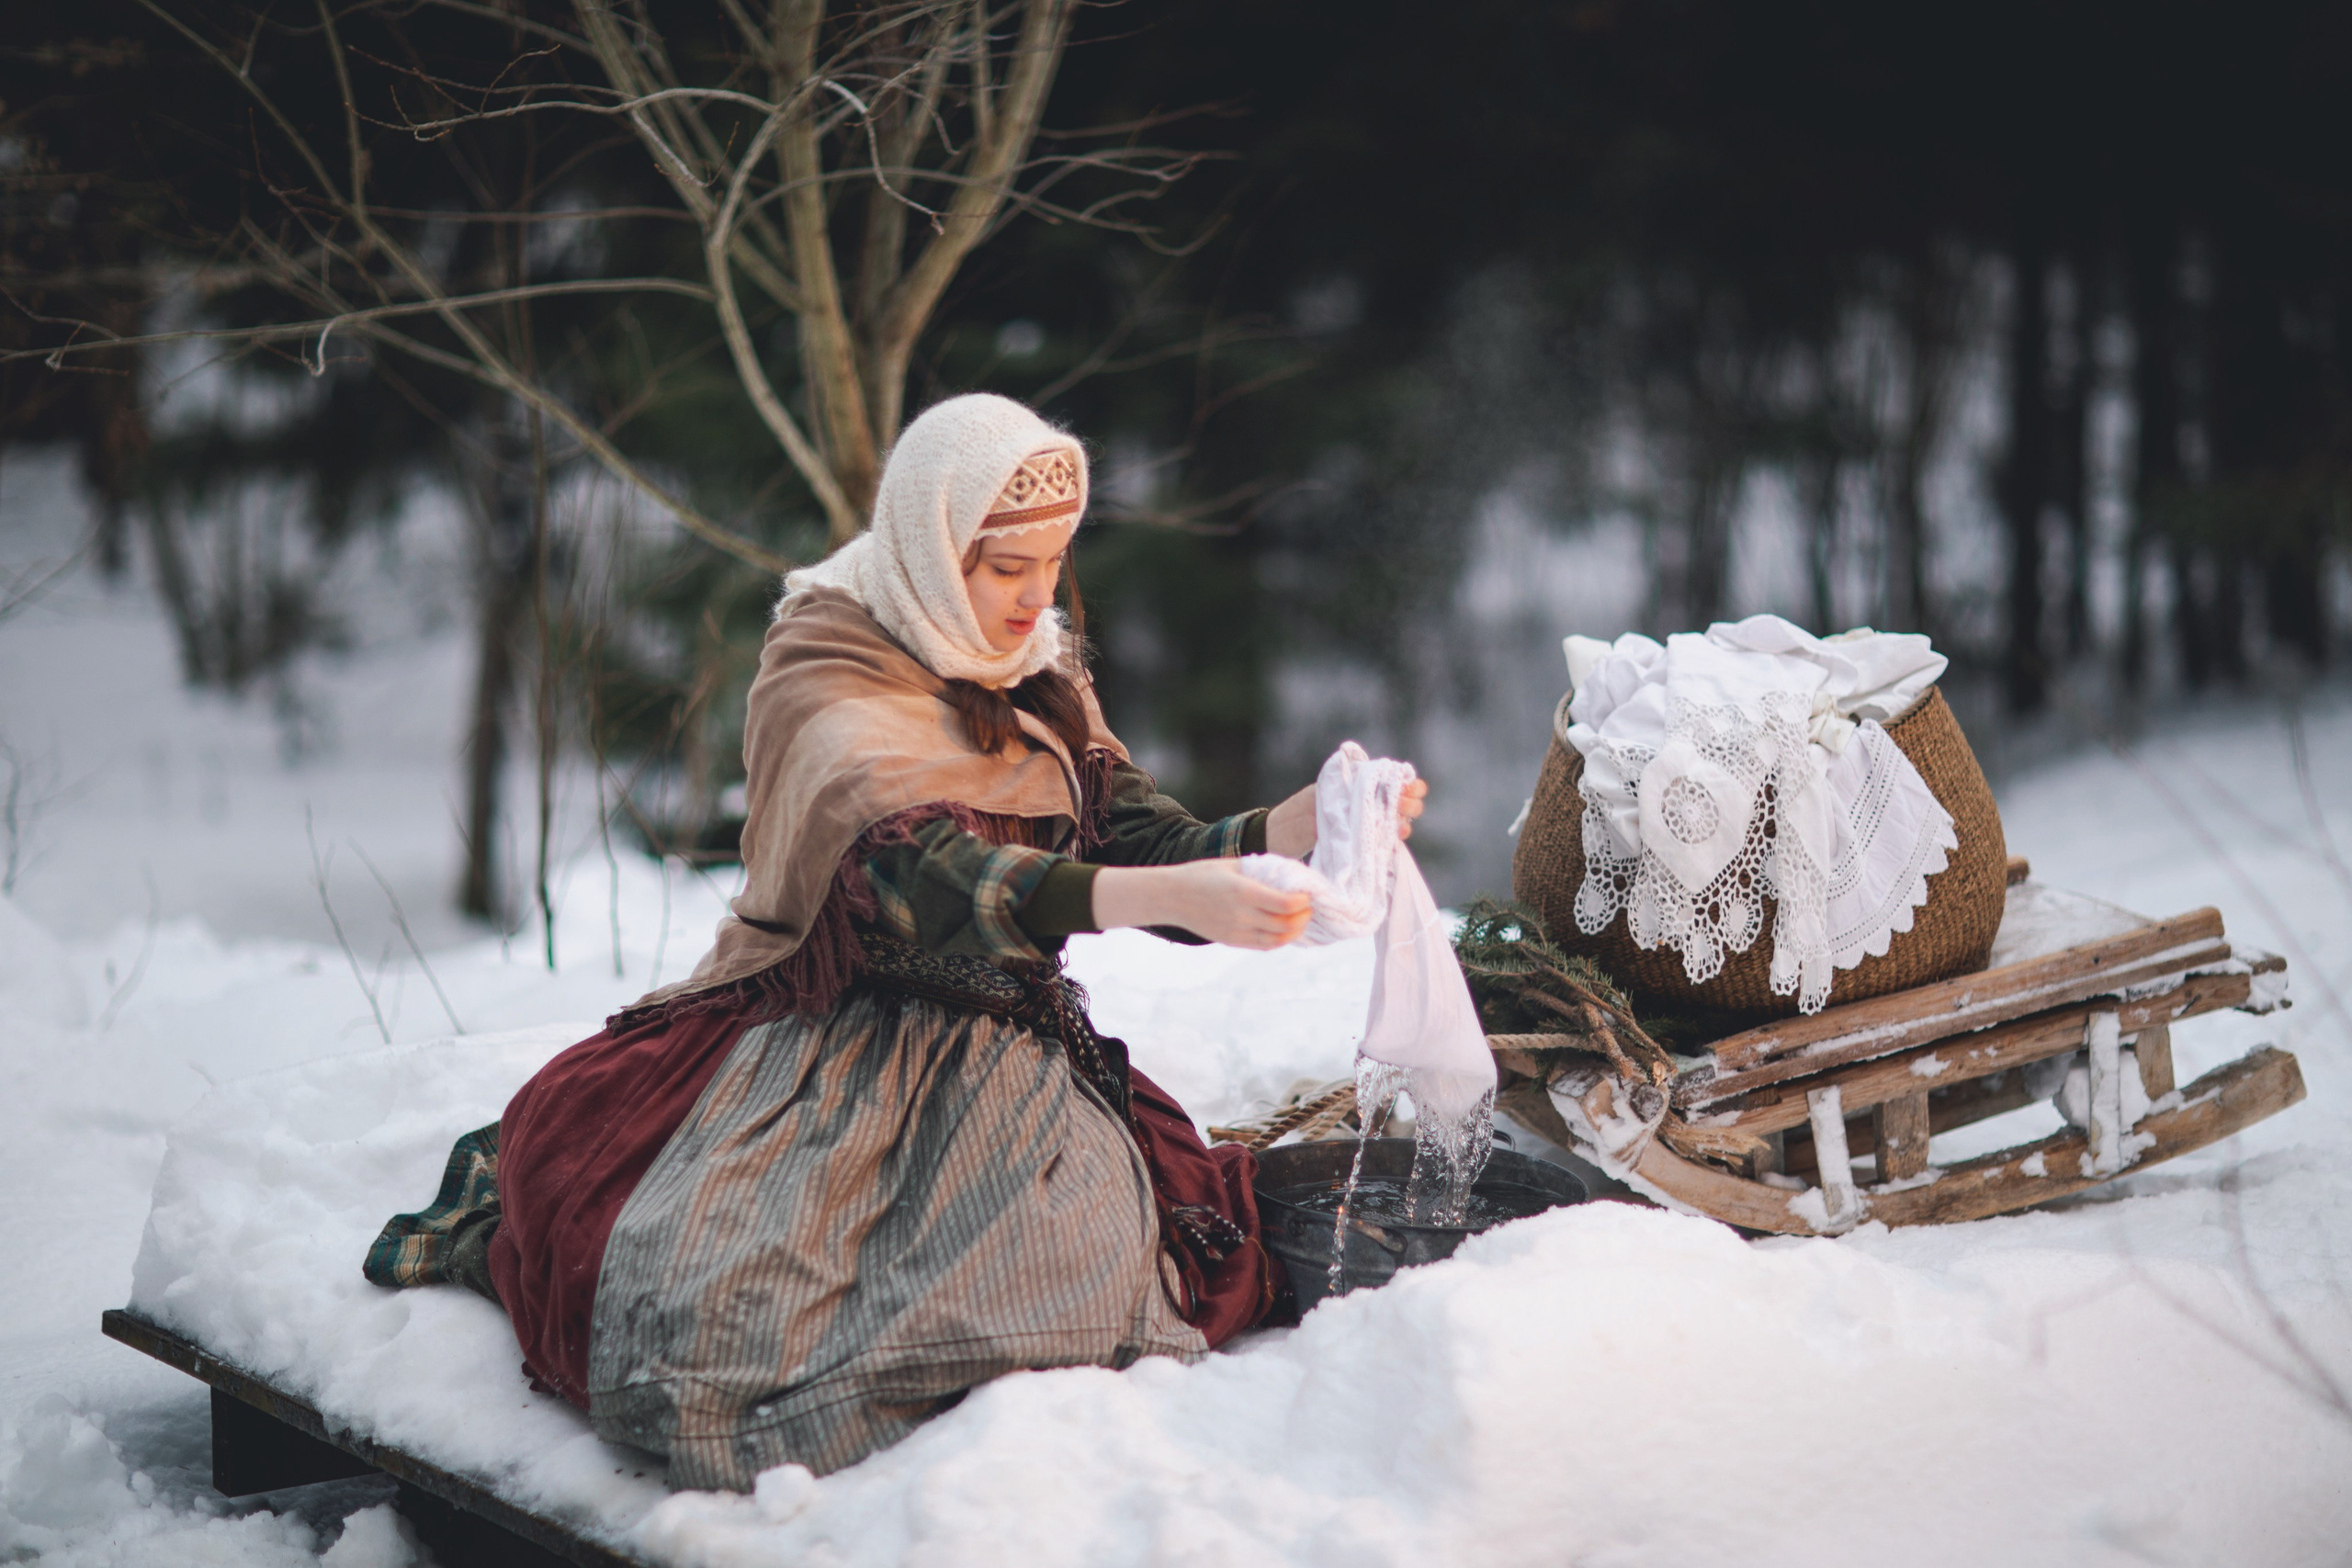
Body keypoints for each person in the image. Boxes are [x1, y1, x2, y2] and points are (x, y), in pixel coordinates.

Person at [364, 392, 1426, 1489]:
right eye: (1006, 566)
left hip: (1002, 1058)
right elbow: (921, 876)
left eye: (1053, 564)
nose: (1035, 598)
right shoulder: (824, 667)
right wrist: (1137, 899)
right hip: (807, 1050)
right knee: (701, 1332)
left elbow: (1132, 828)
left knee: (1073, 1278)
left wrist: (1282, 833)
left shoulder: (1034, 673)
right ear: (931, 543)